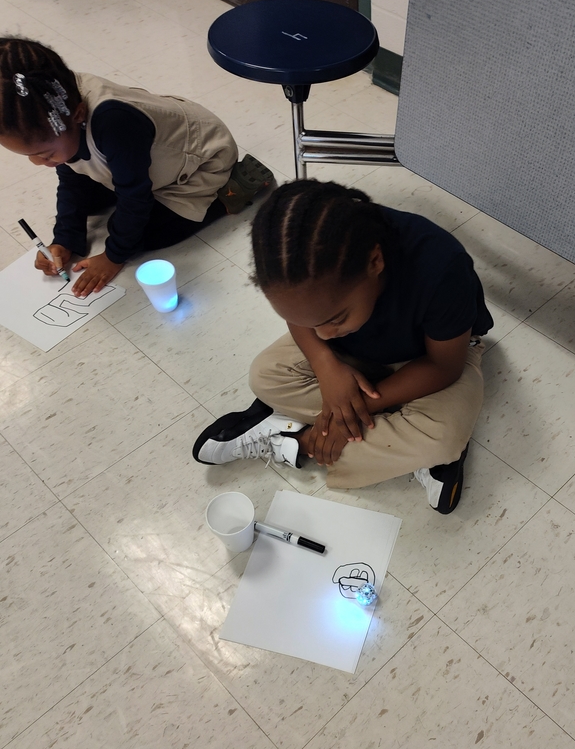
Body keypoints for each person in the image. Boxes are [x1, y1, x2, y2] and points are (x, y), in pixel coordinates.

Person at [193, 179, 494, 513]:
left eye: (335, 318)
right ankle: (403, 449)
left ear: (375, 262)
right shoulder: (306, 279)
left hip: (432, 359)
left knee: (443, 437)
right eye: (311, 323)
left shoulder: (440, 266)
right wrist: (325, 367)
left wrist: (349, 409)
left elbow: (444, 366)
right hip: (353, 354)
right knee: (265, 375)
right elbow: (310, 327)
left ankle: (296, 440)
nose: (322, 334)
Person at [0, 37, 271, 298]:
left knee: (146, 235)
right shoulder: (56, 104)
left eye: (45, 154)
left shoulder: (112, 122)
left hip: (199, 163)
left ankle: (231, 193)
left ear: (79, 114)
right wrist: (65, 239)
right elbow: (72, 177)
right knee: (89, 204)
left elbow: (135, 195)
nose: (38, 163)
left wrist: (113, 257)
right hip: (138, 160)